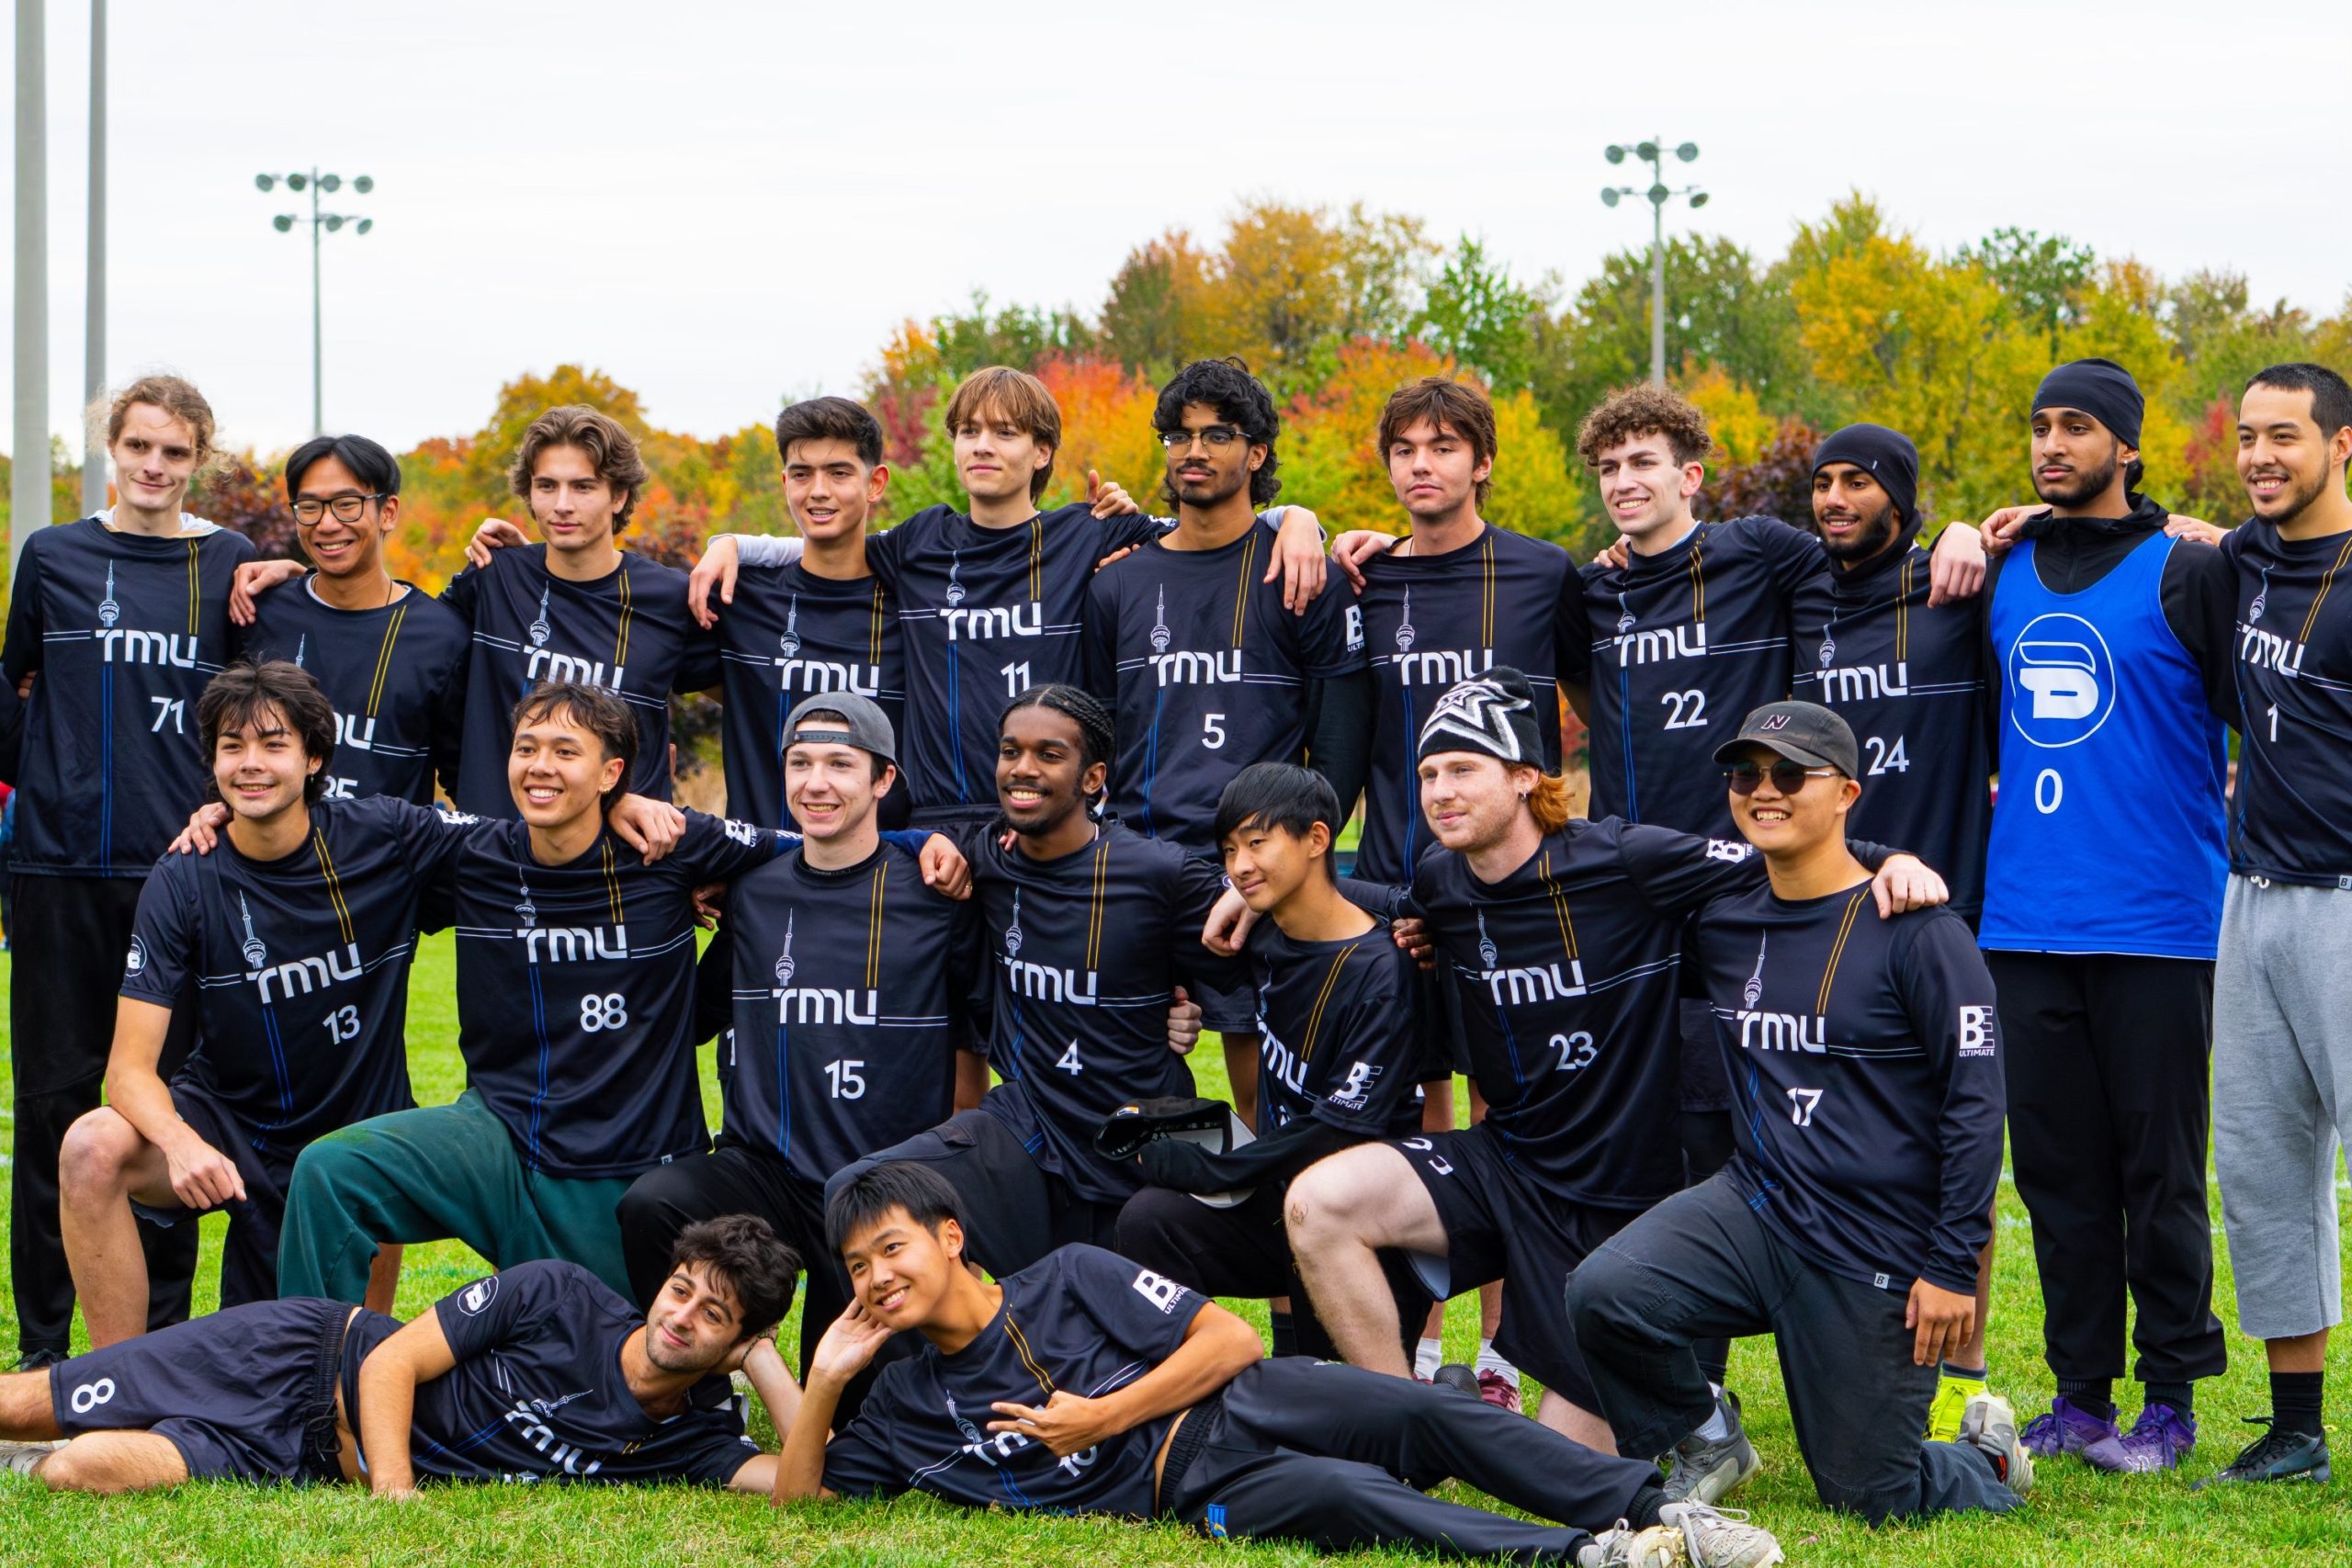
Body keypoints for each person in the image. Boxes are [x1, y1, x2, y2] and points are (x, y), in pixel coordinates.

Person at [1283, 668, 1944, 1454]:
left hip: (1616, 1202)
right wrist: (1250, 889)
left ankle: (1703, 1418)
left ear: (1525, 776)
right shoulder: (1439, 878)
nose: (1439, 792)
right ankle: (1399, 1428)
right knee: (1318, 1204)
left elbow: (1776, 856)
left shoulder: (1624, 857)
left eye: (1462, 768)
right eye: (1428, 773)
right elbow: (1378, 902)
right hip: (1505, 1163)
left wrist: (1888, 856)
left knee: (1561, 1464)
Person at [273, 682, 960, 1303]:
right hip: (499, 1135)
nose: (540, 766)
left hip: (630, 1161)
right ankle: (315, 1379)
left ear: (610, 772)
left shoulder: (671, 846)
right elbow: (328, 823)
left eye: (565, 751)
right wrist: (230, 816)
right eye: (526, 748)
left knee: (619, 1370)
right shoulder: (471, 852)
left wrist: (920, 840)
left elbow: (818, 840)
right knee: (331, 1171)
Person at [777, 1161, 1786, 1568]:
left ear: (950, 1238)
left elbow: (1232, 1341)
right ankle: (1589, 1557)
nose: (877, 1277)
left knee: (1428, 1413)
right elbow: (801, 1504)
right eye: (858, 1266)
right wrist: (823, 1379)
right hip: (1193, 1487)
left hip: (1246, 1396)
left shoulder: (1068, 1275)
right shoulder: (905, 1401)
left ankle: (1659, 1510)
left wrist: (1103, 1416)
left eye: (892, 1248)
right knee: (1351, 1497)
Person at [1566, 701, 2030, 1525]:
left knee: (1873, 1498)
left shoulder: (1920, 931)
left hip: (1874, 1242)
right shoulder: (1723, 916)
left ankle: (1984, 1455)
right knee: (1604, 1291)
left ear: (1847, 792)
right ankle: (1708, 1436)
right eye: (1746, 774)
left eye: (1789, 773)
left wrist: (1953, 1265)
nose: (1763, 790)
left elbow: (1975, 1104)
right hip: (1756, 1206)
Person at [692, 366, 1329, 829]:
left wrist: (1295, 519)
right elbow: (830, 539)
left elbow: (1206, 527)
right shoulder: (918, 542)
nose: (982, 445)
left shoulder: (1086, 533)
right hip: (935, 827)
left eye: (1004, 432)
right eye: (969, 430)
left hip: (1050, 820)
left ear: (1041, 451)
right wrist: (733, 543)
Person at [1977, 358, 2236, 1473]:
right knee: (2057, 1181)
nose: (2051, 443)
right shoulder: (2004, 568)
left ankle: (2169, 1400)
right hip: (2023, 922)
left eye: (2076, 426)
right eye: (2040, 425)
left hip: (2158, 923)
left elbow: (2266, 705)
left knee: (2158, 1175)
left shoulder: (2189, 568)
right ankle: (2079, 1396)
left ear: (2125, 446)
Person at [1323, 376, 1589, 1402]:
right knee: (1413, 1115)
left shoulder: (1542, 571)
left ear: (1482, 462)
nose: (1422, 465)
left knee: (1505, 1107)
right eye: (1404, 449)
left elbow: (1590, 698)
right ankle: (1426, 1348)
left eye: (1443, 446)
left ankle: (1502, 1353)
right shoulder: (1365, 578)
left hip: (1513, 892)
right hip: (1395, 887)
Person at [616, 693, 986, 1391]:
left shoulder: (937, 891)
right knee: (652, 1202)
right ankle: (700, 1396)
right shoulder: (752, 891)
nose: (817, 783)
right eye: (800, 763)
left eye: (840, 764)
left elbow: (983, 1027)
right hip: (766, 1171)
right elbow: (694, 1015)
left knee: (857, 1410)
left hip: (881, 1184)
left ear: (883, 779)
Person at [3, 375, 254, 1366]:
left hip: (180, 874)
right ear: (111, 448)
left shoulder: (225, 561)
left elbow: (253, 704)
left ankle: (159, 1341)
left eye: (175, 451)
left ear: (200, 460)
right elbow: (16, 681)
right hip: (58, 870)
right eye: (139, 446)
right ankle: (43, 1346)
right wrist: (50, 775)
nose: (154, 466)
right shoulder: (52, 555)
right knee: (53, 1103)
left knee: (160, 1108)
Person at [823, 684, 1236, 1275]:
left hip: (1135, 1144)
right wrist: (925, 837)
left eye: (1049, 754)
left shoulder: (1160, 872)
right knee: (863, 1190)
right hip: (1025, 1128)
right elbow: (848, 846)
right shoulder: (984, 859)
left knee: (1109, 1321)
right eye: (1010, 751)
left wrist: (1245, 899)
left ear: (1092, 778)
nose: (1022, 768)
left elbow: (1288, 933)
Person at [0, 1217, 799, 1496]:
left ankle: (35, 1456)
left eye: (713, 1315)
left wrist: (768, 1362)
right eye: (680, 1288)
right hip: (303, 1357)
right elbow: (388, 1363)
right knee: (24, 1405)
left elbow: (812, 1483)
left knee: (75, 1470)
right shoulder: (561, 1295)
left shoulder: (690, 1438)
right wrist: (394, 1489)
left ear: (736, 1341)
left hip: (297, 1459)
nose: (680, 1316)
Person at [1786, 423, 2002, 1436]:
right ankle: (1865, 1350)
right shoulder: (1797, 593)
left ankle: (1965, 1377)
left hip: (1946, 903)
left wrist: (1970, 532)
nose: (1835, 498)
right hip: (1830, 906)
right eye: (1823, 482)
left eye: (1858, 483)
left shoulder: (1960, 586)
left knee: (1958, 1134)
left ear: (1902, 499)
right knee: (1849, 1135)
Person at [1085, 358, 1369, 1113]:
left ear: (1257, 451)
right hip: (1139, 870)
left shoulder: (1301, 573)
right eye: (1178, 435)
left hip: (1259, 872)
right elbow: (1093, 739)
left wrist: (1288, 867)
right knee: (1124, 1100)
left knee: (1266, 1105)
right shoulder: (1117, 584)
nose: (1194, 450)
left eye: (1218, 434)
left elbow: (1340, 746)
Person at [235, 405, 720, 817]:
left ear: (619, 495)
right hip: (498, 857)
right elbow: (388, 619)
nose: (562, 505)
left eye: (583, 487)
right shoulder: (494, 578)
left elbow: (748, 696)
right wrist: (298, 579)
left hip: (626, 861)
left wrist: (738, 545)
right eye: (546, 486)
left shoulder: (668, 598)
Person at [1114, 762, 1431, 1359]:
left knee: (1339, 1406)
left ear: (1317, 839)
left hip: (1360, 1225)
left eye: (1257, 842)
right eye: (1230, 849)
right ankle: (1182, 1385)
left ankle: (1431, 1396)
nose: (1239, 865)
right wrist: (1174, 1016)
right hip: (1281, 1201)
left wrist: (1218, 1170)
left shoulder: (1382, 971)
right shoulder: (1261, 935)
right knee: (1150, 1220)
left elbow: (1336, 1129)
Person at [2201, 362, 2352, 1485]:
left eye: (2284, 436)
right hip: (2249, 898)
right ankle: (2296, 1429)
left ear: (2339, 446)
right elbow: (2159, 533)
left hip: (2346, 902)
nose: (2259, 455)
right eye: (2248, 435)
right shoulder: (2246, 558)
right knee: (2260, 1167)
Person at [708, 396, 910, 831]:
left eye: (839, 473)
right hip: (759, 864)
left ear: (875, 483)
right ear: (786, 482)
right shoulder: (737, 599)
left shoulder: (915, 612)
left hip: (885, 866)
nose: (818, 490)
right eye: (802, 474)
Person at [235, 434, 469, 804]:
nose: (327, 524)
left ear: (388, 512)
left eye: (347, 505)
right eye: (310, 507)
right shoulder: (259, 613)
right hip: (270, 841)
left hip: (388, 842)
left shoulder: (441, 636)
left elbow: (466, 781)